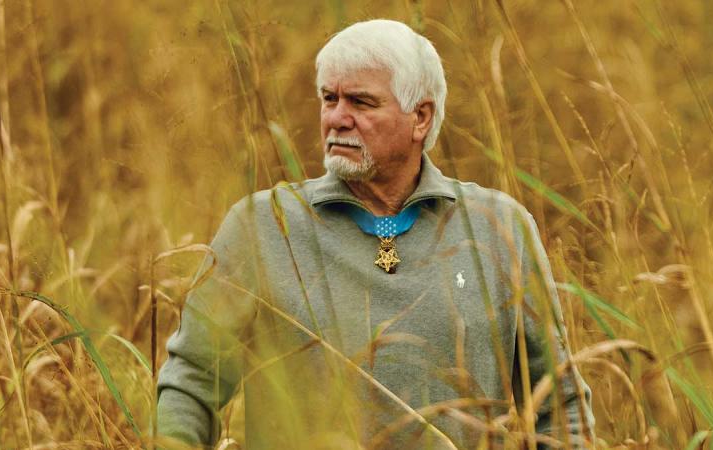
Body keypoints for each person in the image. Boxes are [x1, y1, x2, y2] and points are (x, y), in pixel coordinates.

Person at [155, 19, 593, 449]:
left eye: (361, 103)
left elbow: (559, 402)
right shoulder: (265, 224)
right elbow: (192, 382)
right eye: (330, 98)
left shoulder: (498, 227)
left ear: (420, 117)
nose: (337, 118)